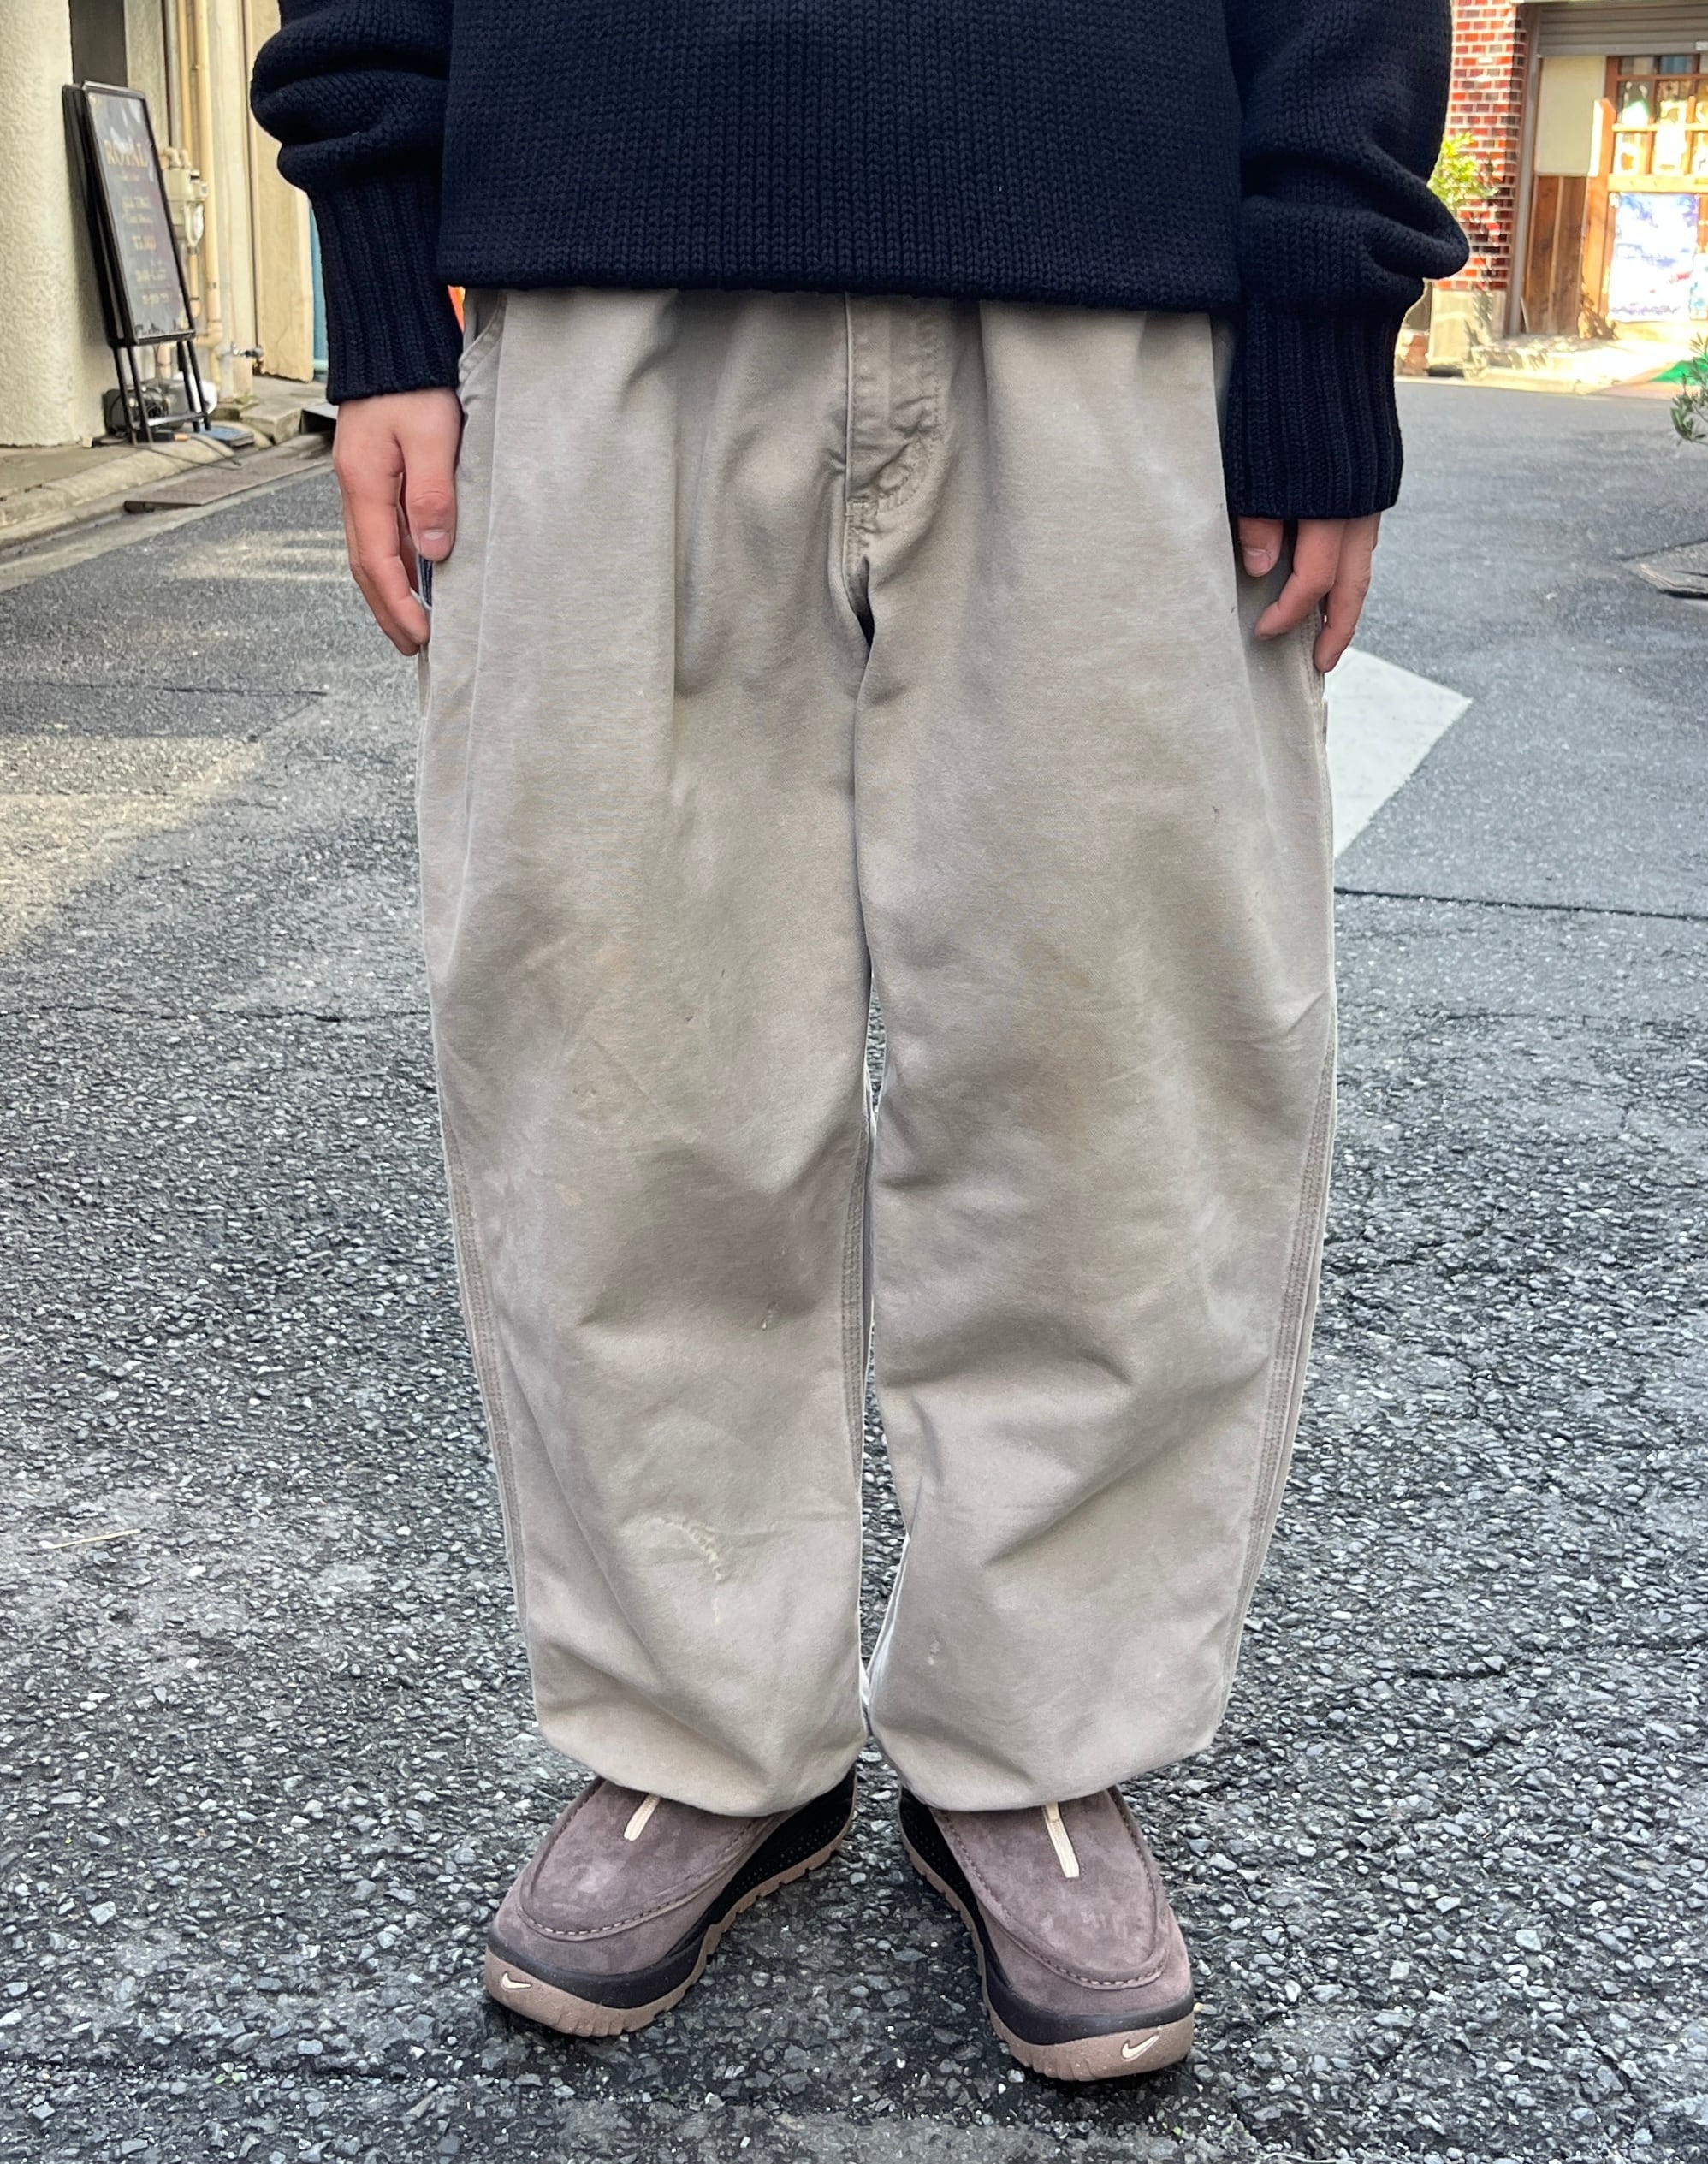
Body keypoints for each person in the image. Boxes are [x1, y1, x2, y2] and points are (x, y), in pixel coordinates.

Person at [252, 0, 1467, 2083]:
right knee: (623, 1062)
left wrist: (1325, 302)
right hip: (607, 234)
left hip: (1111, 249)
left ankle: (1037, 1736)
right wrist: (379, 275)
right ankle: (701, 1725)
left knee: (1113, 1069)